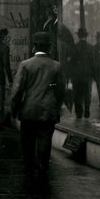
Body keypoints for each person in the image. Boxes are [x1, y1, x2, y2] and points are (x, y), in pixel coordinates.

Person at [10, 31, 66, 177]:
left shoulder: (25, 65)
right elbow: (61, 91)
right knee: (45, 141)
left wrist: (14, 109)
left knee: (27, 141)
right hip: (48, 111)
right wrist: (57, 107)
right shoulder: (56, 66)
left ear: (34, 47)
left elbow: (17, 90)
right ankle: (42, 168)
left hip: (28, 110)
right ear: (49, 47)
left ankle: (29, 168)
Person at [67, 27, 95, 119]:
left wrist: (70, 75)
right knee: (87, 92)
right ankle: (87, 109)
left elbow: (70, 62)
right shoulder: (90, 47)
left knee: (77, 93)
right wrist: (93, 75)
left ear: (78, 36)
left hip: (76, 75)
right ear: (86, 36)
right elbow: (93, 62)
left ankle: (79, 112)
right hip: (87, 75)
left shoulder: (74, 47)